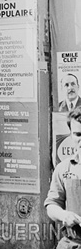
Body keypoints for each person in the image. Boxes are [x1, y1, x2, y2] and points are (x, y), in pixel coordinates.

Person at [45, 106, 81, 248]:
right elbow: (52, 205)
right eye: (78, 134)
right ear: (71, 135)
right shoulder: (64, 169)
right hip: (72, 243)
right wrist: (64, 215)